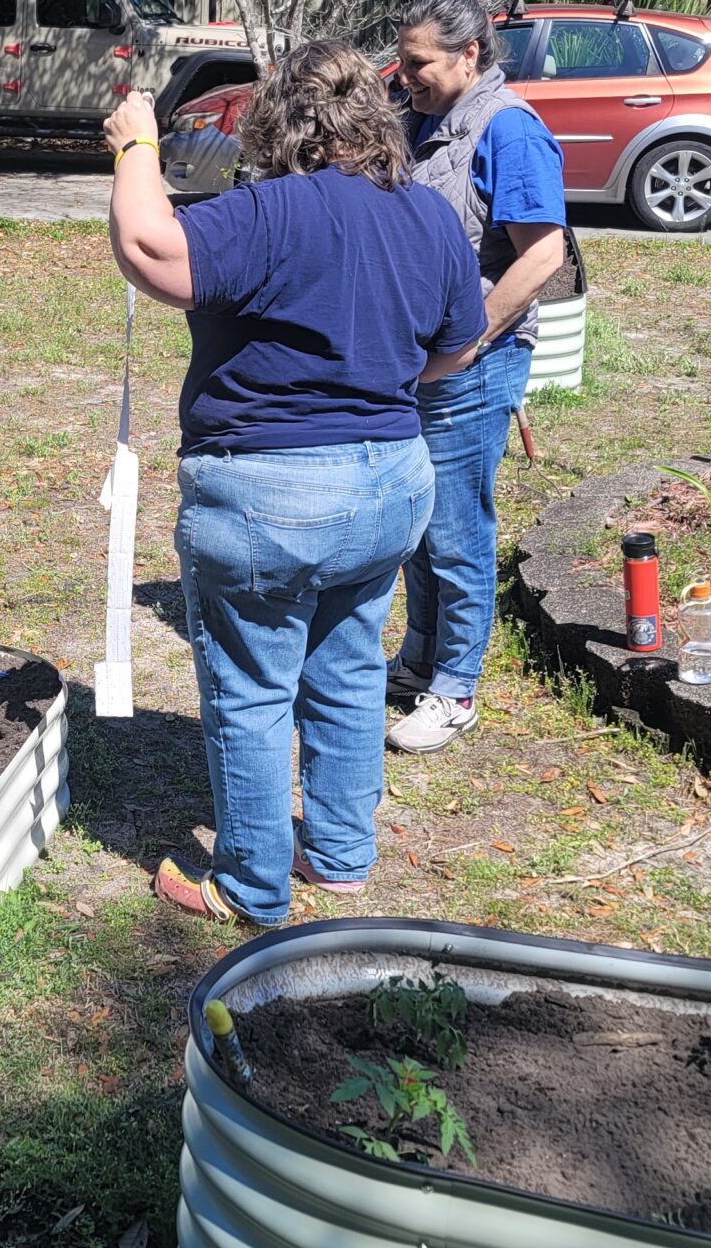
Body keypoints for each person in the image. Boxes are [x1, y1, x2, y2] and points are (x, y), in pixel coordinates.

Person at [103, 45, 485, 926]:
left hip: (269, 494)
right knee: (348, 669)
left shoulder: (269, 211)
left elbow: (151, 248)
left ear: (277, 121)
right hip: (391, 485)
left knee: (250, 689)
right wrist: (385, 380)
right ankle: (342, 857)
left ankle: (250, 885)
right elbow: (461, 344)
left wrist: (136, 147)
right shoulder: (428, 214)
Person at [383, 0, 575, 755]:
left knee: (457, 529)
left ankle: (455, 688)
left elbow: (544, 255)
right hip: (416, 362)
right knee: (419, 523)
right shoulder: (420, 117)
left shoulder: (510, 130)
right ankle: (419, 658)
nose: (404, 76)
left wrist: (470, 341)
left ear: (470, 54)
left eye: (418, 63)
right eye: (401, 61)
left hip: (473, 366)